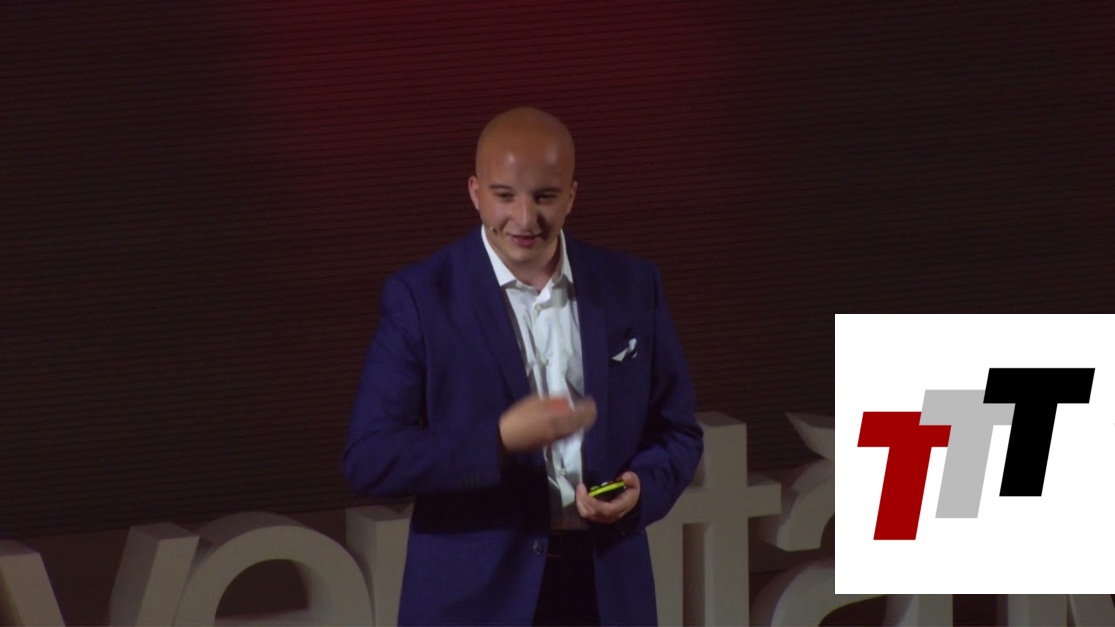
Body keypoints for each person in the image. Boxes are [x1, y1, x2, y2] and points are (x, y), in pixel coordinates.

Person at [343, 106, 703, 626]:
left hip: (605, 594)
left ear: (572, 195)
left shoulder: (632, 285)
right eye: (505, 196)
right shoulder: (421, 299)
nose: (525, 219)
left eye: (545, 197)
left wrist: (643, 488)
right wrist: (499, 440)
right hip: (474, 604)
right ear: (475, 192)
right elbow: (370, 459)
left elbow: (678, 432)